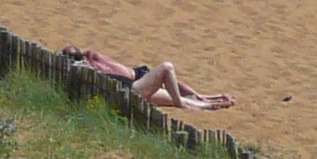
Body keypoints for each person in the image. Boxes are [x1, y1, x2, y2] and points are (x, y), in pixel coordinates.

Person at [62, 48, 235, 110]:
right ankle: (194, 101)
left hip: (134, 83)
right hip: (133, 89)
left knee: (178, 95)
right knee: (167, 69)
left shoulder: (91, 61)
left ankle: (211, 102)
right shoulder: (84, 70)